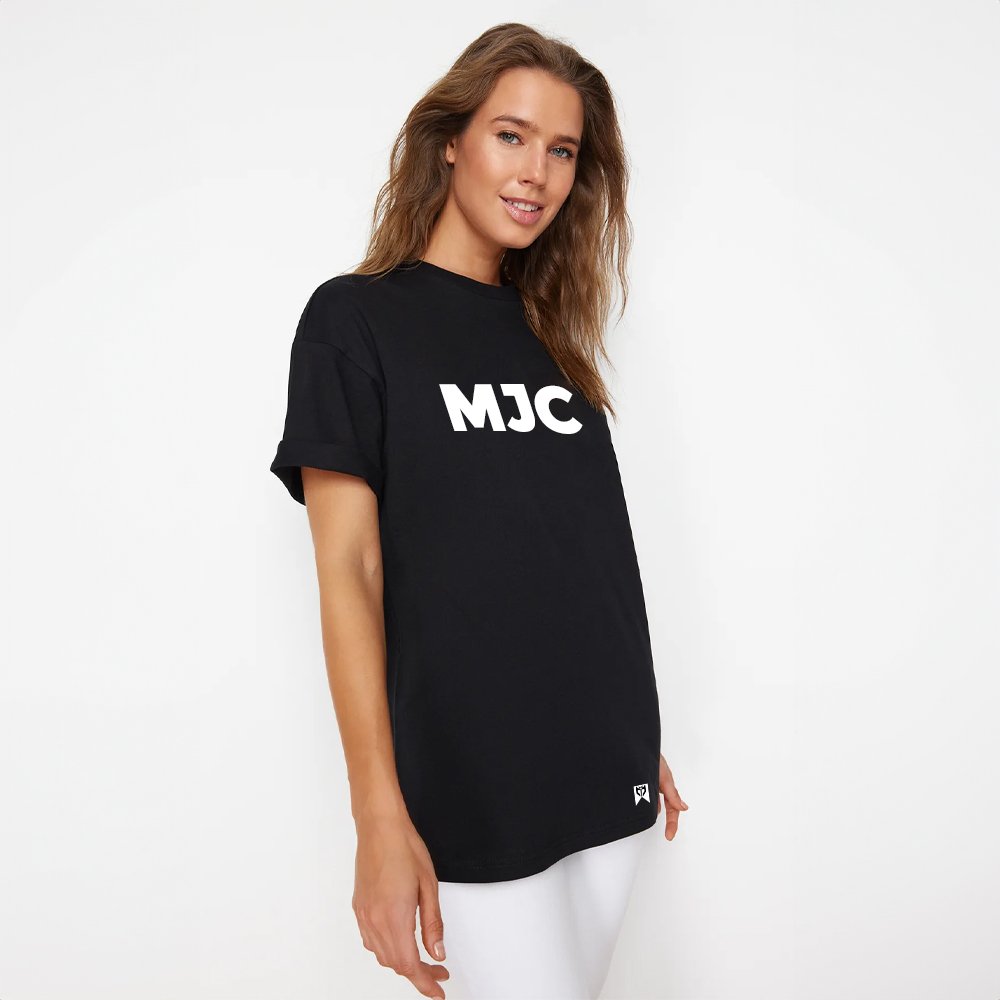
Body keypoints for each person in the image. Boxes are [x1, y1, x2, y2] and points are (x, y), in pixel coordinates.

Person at [269, 22, 689, 1000]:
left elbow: (573, 554)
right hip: (471, 784)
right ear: (450, 140)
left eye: (562, 150)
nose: (537, 172)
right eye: (511, 135)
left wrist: (628, 727)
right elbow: (351, 571)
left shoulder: (553, 338)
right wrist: (377, 816)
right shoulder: (354, 321)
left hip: (608, 762)